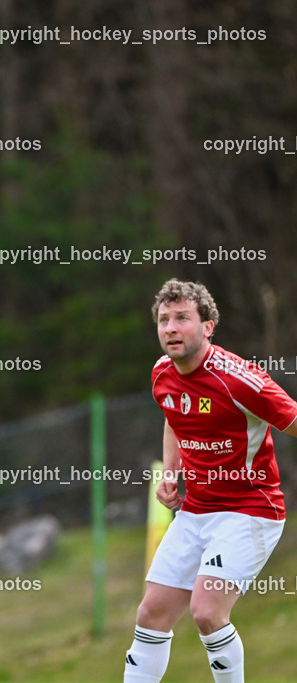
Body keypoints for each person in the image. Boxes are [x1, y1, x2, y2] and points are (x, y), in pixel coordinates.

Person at [123, 279, 297, 683]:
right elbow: (174, 417)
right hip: (196, 511)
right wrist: (171, 472)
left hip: (249, 511)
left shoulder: (240, 379)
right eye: (164, 320)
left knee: (206, 611)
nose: (170, 328)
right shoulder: (162, 373)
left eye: (182, 318)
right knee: (151, 613)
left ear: (208, 326)